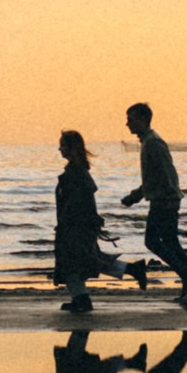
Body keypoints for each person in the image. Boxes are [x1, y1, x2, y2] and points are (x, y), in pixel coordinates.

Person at [122, 103, 187, 307]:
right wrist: (136, 196)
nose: (127, 123)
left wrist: (145, 196)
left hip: (164, 200)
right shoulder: (148, 142)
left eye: (131, 119)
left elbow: (166, 174)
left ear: (142, 120)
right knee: (171, 241)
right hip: (164, 198)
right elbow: (152, 177)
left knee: (152, 241)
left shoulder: (153, 143)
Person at [53, 129, 132, 316]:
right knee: (83, 261)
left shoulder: (76, 172)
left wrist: (66, 223)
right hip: (77, 225)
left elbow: (77, 202)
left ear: (72, 148)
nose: (59, 149)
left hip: (75, 226)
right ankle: (81, 298)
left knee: (73, 262)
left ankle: (81, 299)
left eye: (63, 145)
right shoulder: (77, 171)